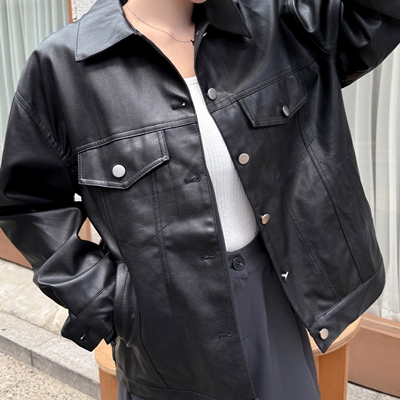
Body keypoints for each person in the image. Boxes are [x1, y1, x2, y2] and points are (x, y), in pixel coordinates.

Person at [0, 0, 399, 399]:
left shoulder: (276, 25)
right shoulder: (65, 66)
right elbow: (28, 203)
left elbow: (377, 17)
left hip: (273, 298)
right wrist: (109, 300)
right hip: (165, 328)